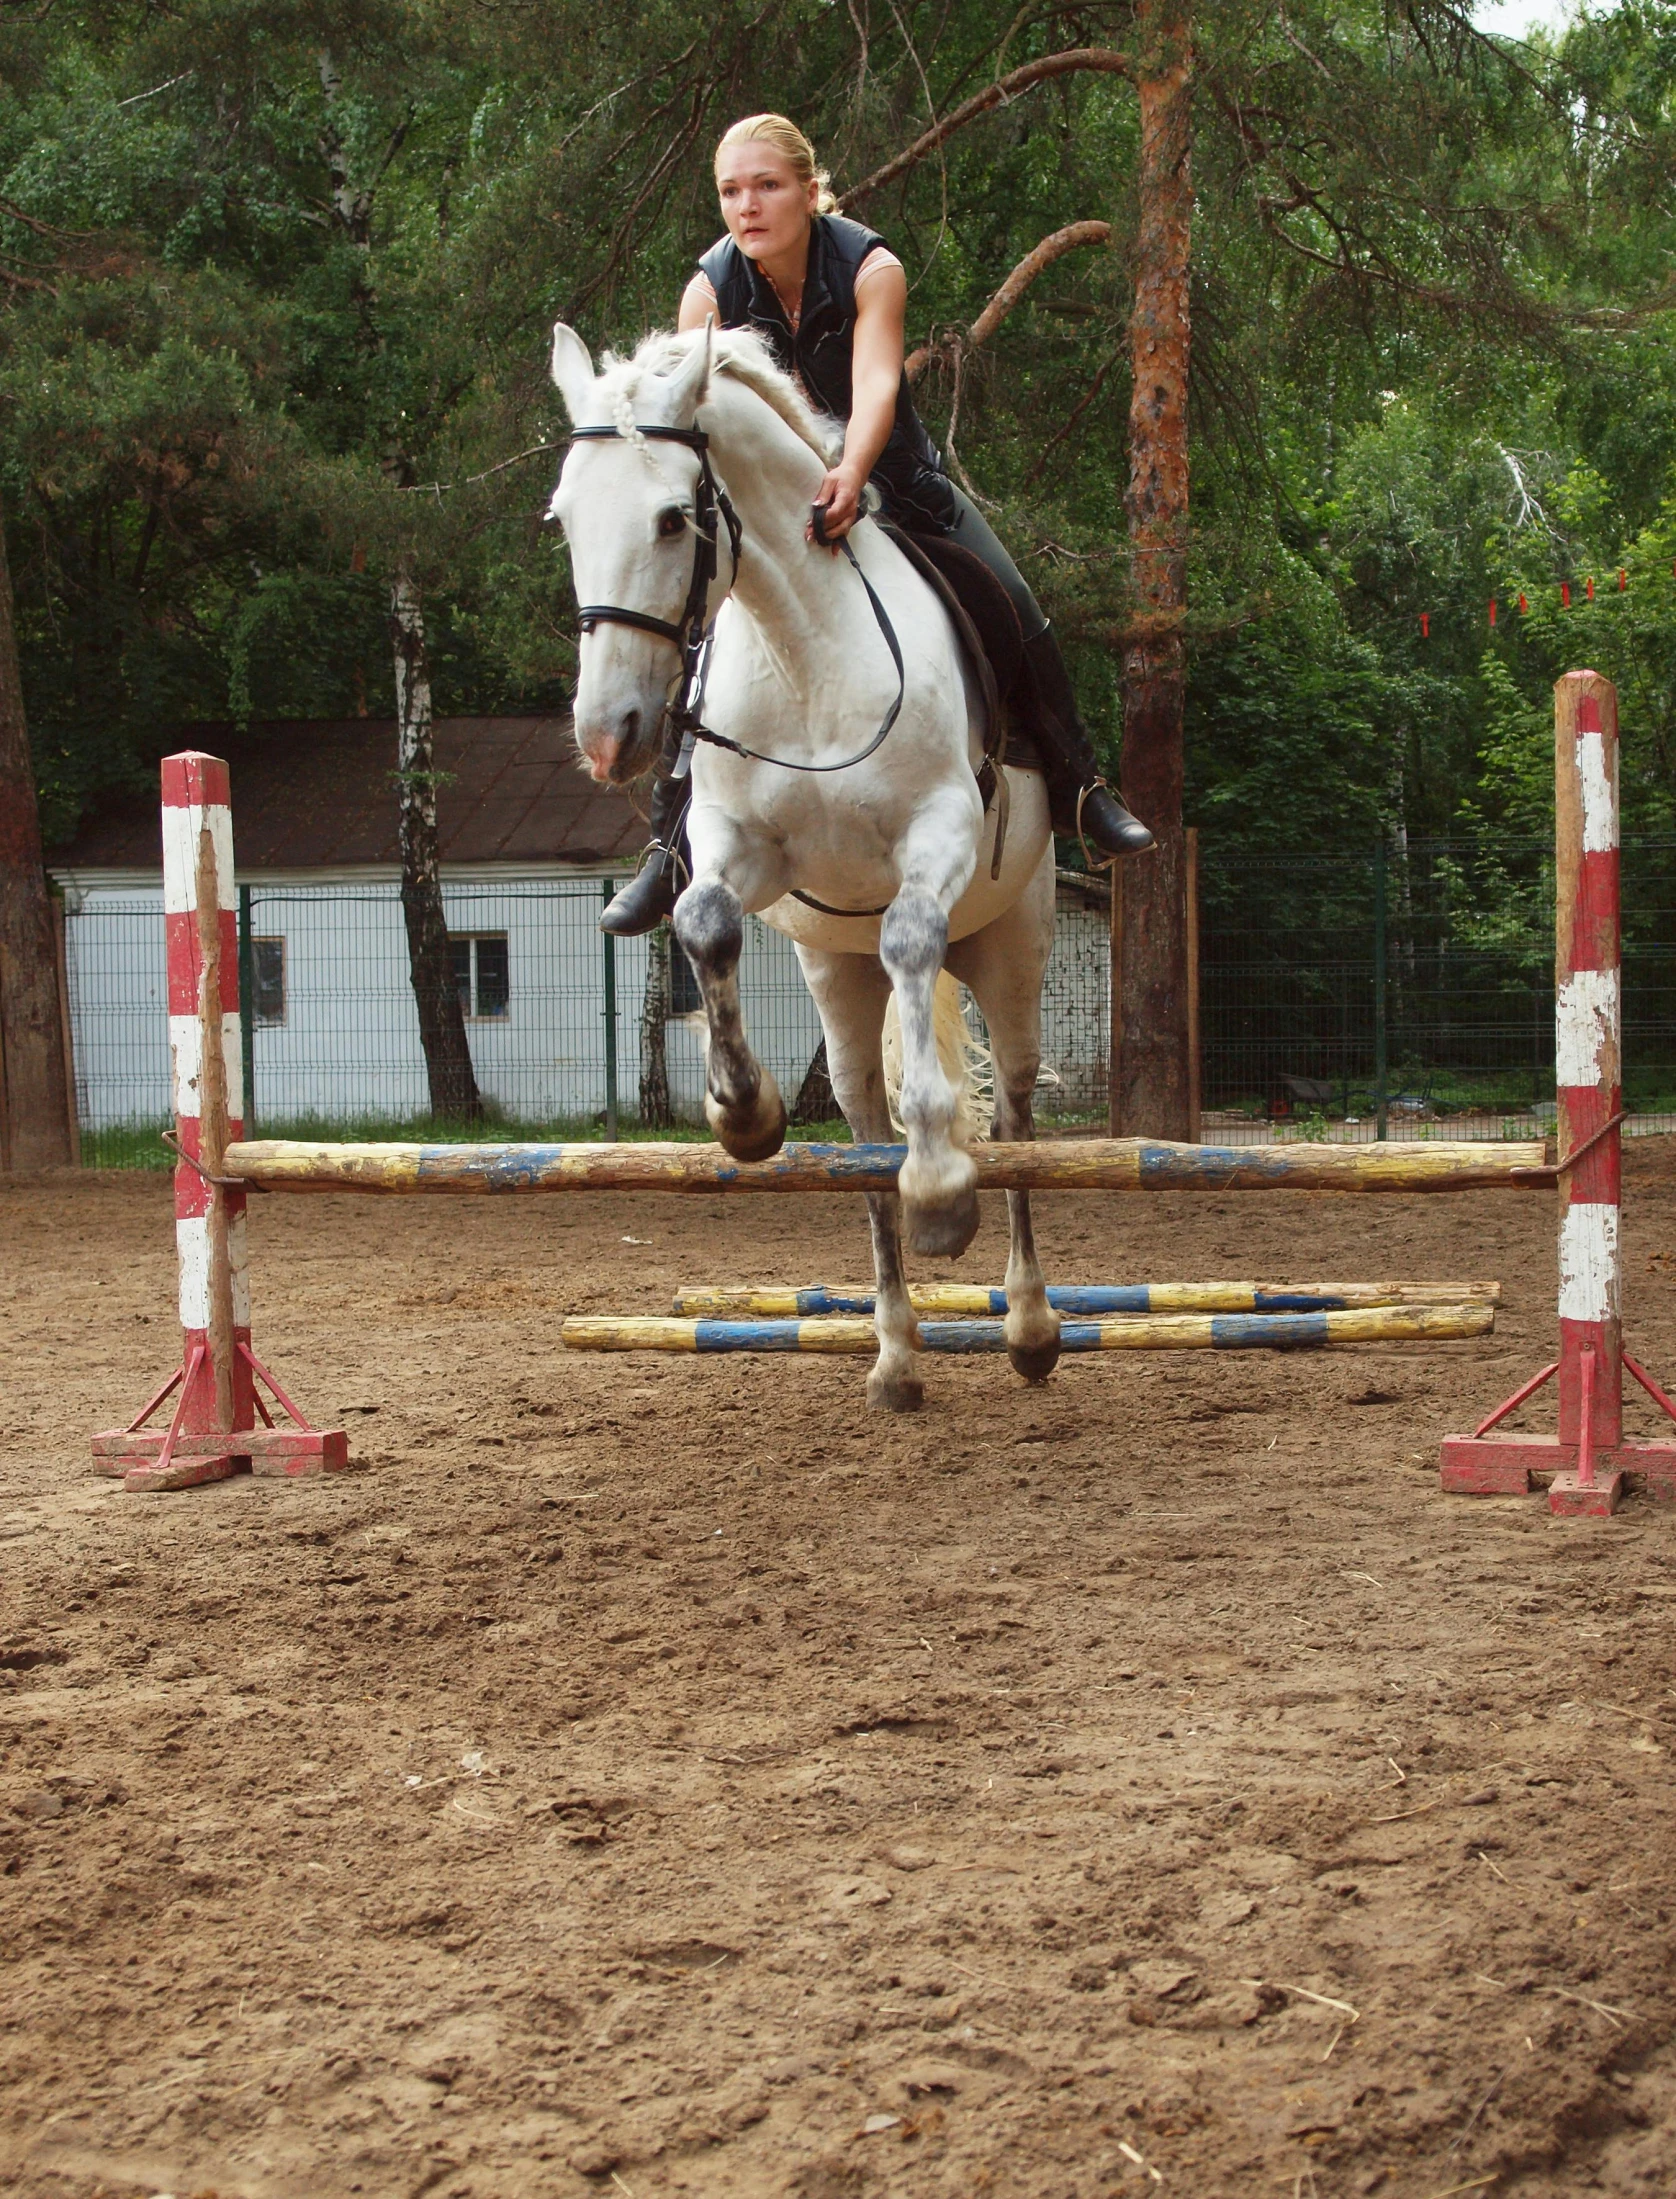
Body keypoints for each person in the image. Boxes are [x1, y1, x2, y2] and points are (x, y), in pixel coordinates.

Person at [600, 111, 1153, 937]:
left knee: (1006, 592)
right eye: (730, 190)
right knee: (700, 629)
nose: (747, 206)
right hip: (766, 509)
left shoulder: (869, 265)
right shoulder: (709, 292)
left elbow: (878, 386)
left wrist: (851, 476)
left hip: (894, 479)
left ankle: (1083, 789)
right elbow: (699, 422)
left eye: (767, 185)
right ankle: (665, 848)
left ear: (809, 189)